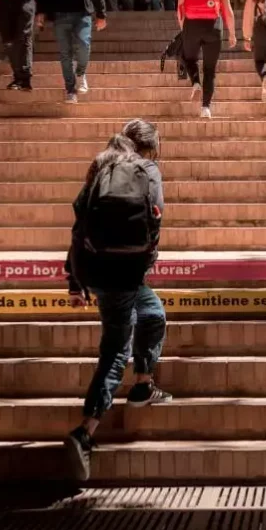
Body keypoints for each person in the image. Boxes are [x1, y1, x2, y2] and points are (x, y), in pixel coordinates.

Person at [64, 119, 170, 482]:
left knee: (154, 314)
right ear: (149, 148)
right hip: (124, 272)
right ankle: (85, 433)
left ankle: (142, 384)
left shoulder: (102, 165)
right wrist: (145, 256)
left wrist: (74, 280)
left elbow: (78, 228)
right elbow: (157, 218)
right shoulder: (147, 170)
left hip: (96, 268)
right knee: (113, 352)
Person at [177, 0, 236, 119]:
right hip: (214, 27)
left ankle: (195, 82)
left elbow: (180, 10)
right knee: (210, 70)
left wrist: (184, 30)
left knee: (189, 58)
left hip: (191, 25)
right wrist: (232, 33)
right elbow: (228, 11)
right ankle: (205, 108)